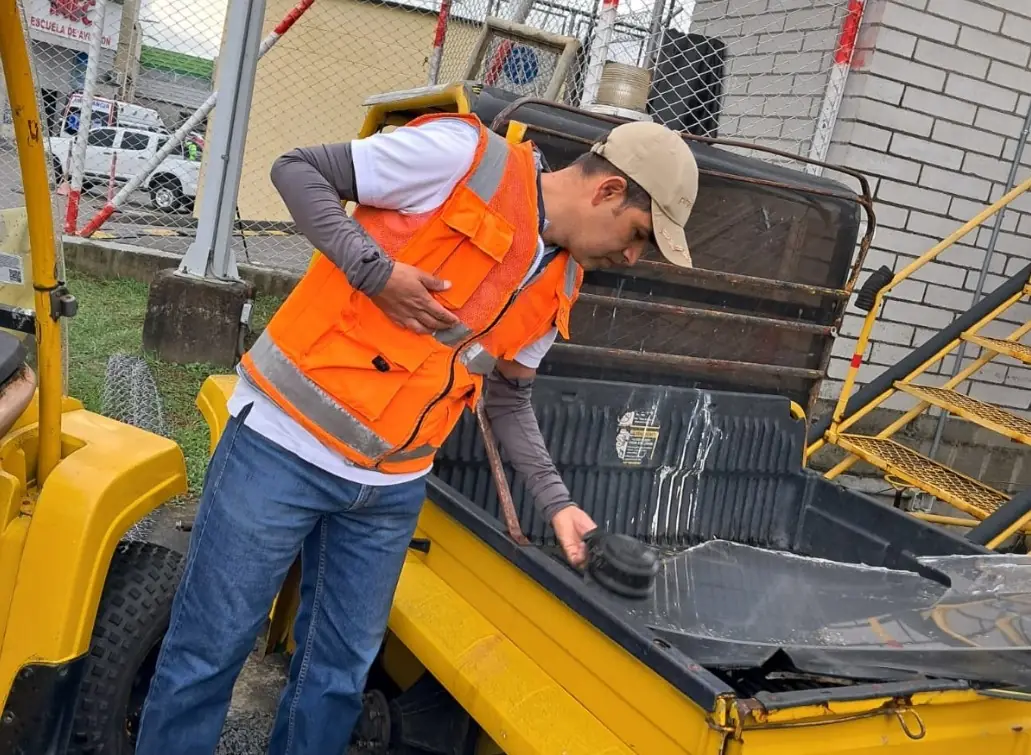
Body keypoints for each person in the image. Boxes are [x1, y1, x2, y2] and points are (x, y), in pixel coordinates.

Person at [135, 111, 699, 754]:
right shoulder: (465, 160)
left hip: (391, 489)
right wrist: (374, 271)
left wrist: (559, 504)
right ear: (608, 191)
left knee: (337, 678)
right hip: (283, 447)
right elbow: (297, 169)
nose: (632, 256)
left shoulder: (563, 277)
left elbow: (509, 396)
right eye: (639, 234)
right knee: (209, 652)